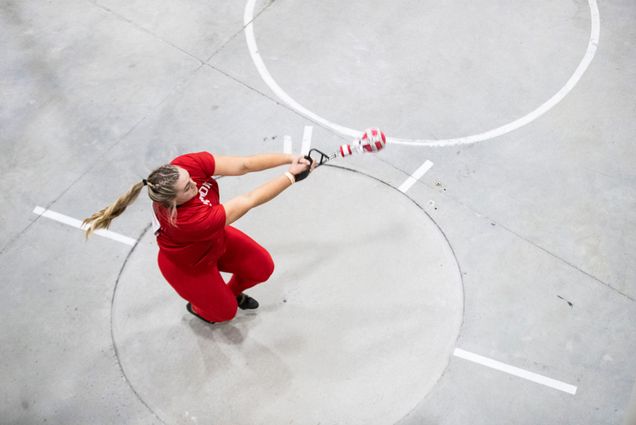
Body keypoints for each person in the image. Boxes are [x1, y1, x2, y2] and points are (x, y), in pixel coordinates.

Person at [83, 151, 313, 324]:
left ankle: (230, 294)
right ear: (172, 202)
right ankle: (200, 307)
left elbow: (244, 165)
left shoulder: (184, 165)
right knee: (224, 314)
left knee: (262, 268)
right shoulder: (188, 221)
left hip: (216, 241)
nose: (194, 181)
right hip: (189, 266)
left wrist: (290, 159)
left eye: (189, 179)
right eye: (187, 187)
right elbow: (249, 200)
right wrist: (290, 178)